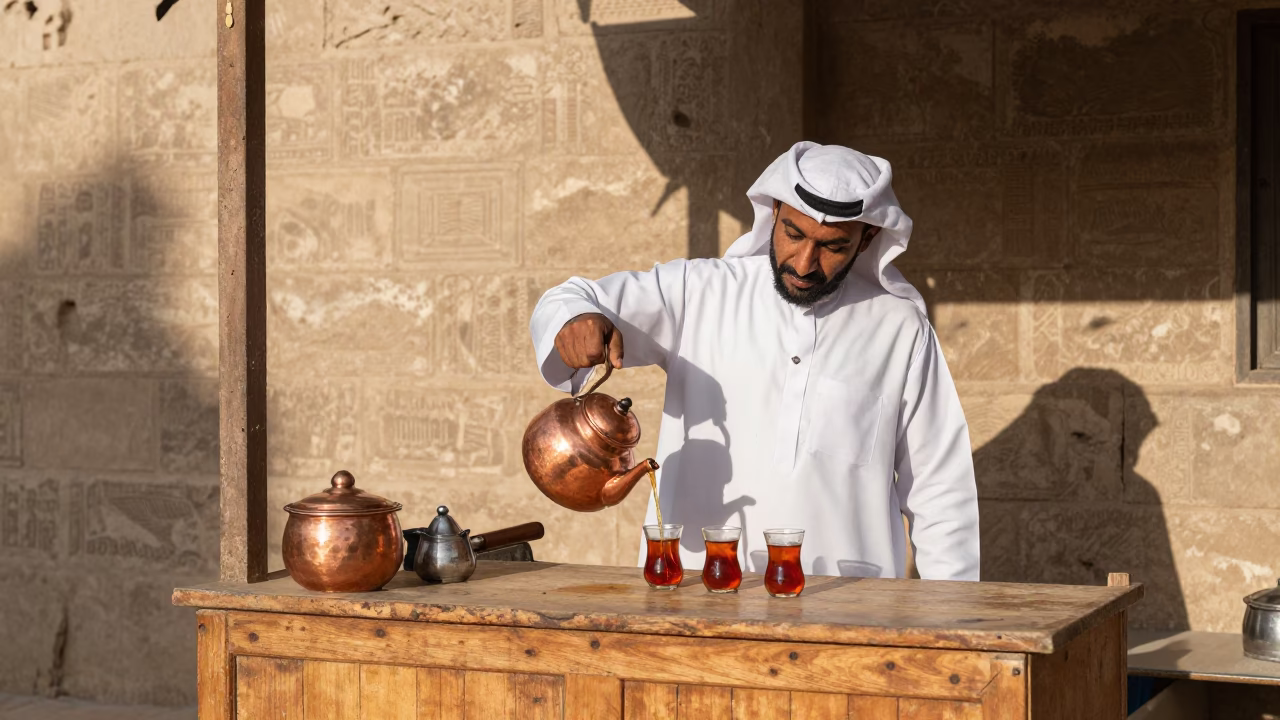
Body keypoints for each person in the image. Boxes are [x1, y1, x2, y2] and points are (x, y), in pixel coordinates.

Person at [528, 141, 979, 581]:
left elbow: (939, 489)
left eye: (832, 246)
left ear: (868, 240)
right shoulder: (698, 293)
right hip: (695, 599)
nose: (804, 264)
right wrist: (576, 318)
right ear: (775, 212)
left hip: (851, 606)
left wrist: (957, 624)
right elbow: (570, 296)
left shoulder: (900, 329)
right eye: (794, 234)